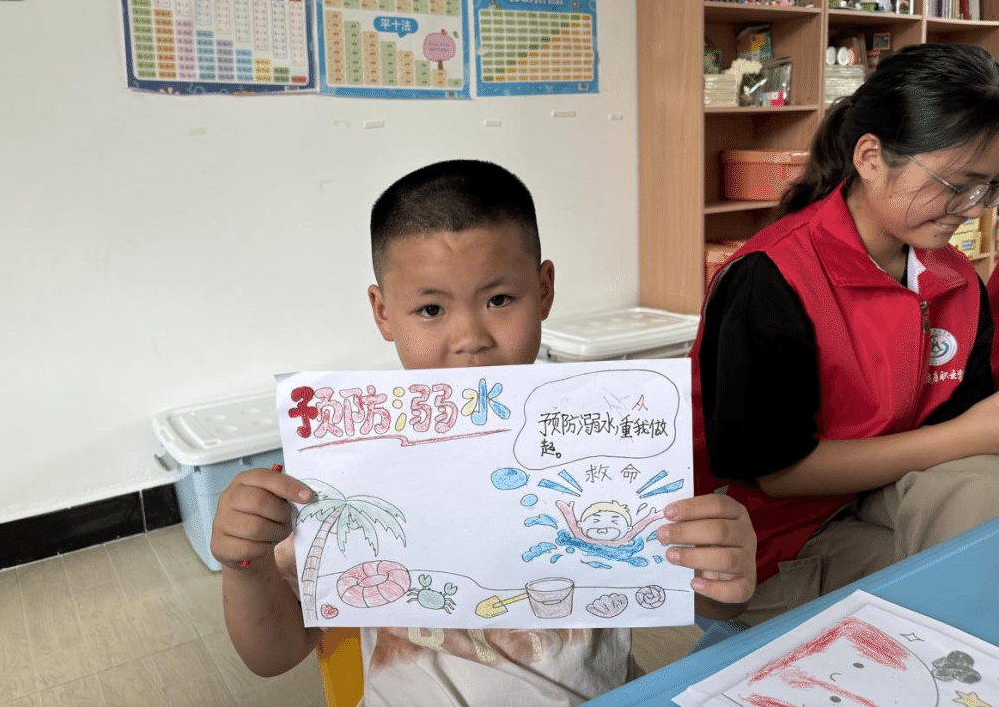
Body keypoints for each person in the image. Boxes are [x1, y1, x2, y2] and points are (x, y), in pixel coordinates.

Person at [211, 159, 757, 705]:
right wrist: (244, 565)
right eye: (430, 309)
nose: (470, 338)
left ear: (543, 289)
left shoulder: (606, 439)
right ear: (382, 312)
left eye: (499, 300)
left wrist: (724, 571)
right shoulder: (353, 461)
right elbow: (272, 655)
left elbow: (708, 600)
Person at [693, 42, 999, 627]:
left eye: (989, 188)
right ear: (871, 157)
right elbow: (775, 473)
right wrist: (966, 435)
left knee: (983, 509)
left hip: (882, 492)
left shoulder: (957, 279)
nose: (974, 209)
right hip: (777, 535)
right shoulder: (771, 278)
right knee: (955, 591)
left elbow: (962, 438)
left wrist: (968, 436)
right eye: (958, 185)